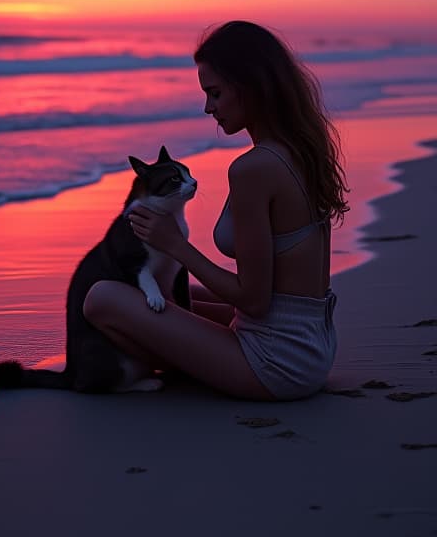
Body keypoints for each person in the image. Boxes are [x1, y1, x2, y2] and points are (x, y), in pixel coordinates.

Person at [83, 20, 349, 400]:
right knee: (166, 290)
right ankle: (178, 349)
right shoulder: (300, 148)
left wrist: (175, 246)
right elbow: (272, 291)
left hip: (276, 363)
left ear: (251, 87)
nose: (209, 107)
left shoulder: (254, 169)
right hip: (309, 342)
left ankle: (155, 364)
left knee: (101, 298)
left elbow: (254, 300)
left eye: (216, 93)